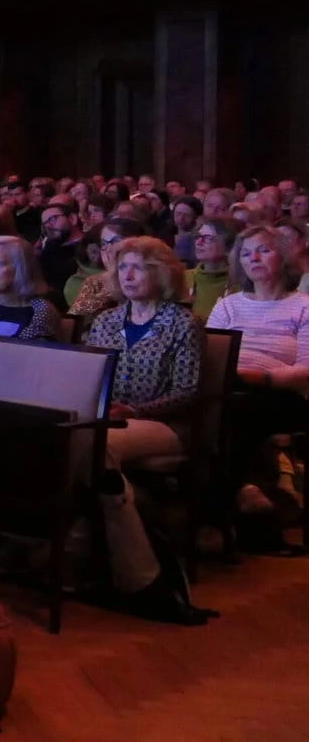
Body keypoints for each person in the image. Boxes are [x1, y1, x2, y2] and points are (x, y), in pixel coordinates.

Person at [81, 237, 206, 621]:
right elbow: (88, 376)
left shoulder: (181, 322)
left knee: (98, 446)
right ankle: (80, 553)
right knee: (78, 440)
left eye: (140, 267)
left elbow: (187, 392)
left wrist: (133, 408)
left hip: (162, 424)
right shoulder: (106, 320)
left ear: (164, 273)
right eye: (123, 267)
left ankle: (142, 577)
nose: (129, 275)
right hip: (109, 417)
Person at [207, 225, 309, 524]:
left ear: (284, 258)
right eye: (247, 253)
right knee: (216, 408)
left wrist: (260, 378)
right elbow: (211, 355)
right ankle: (247, 491)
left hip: (283, 395)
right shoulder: (228, 305)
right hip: (228, 386)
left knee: (237, 411)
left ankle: (218, 508)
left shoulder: (303, 306)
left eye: (264, 250)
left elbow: (306, 369)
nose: (254, 258)